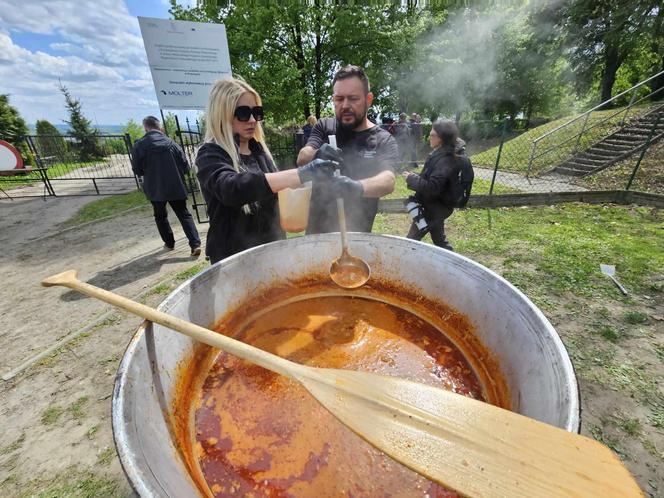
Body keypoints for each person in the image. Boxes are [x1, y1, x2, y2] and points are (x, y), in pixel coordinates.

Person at [196, 77, 337, 264]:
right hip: (234, 260)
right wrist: (302, 172)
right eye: (243, 113)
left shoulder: (258, 151)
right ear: (222, 114)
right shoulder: (210, 154)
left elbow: (278, 189)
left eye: (256, 112)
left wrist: (317, 164)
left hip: (272, 250)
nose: (253, 120)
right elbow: (231, 188)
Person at [297, 65, 397, 234]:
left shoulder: (383, 139)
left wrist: (357, 187)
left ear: (369, 99)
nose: (345, 105)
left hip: (357, 235)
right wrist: (316, 154)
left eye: (353, 98)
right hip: (316, 235)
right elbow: (302, 157)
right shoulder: (325, 126)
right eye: (339, 98)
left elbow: (388, 181)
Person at [131, 116, 202, 256]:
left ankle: (169, 243)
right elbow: (185, 166)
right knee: (184, 214)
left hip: (155, 188)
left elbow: (137, 170)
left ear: (146, 128)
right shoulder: (172, 143)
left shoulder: (139, 145)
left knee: (160, 216)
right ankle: (195, 244)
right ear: (160, 128)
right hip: (175, 186)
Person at [401, 119, 470, 251]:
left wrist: (412, 178)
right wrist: (416, 176)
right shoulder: (442, 154)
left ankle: (403, 262)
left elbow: (433, 187)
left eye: (432, 135)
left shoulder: (446, 159)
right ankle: (452, 261)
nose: (429, 138)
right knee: (439, 239)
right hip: (438, 207)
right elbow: (434, 179)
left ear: (442, 138)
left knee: (411, 241)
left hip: (432, 208)